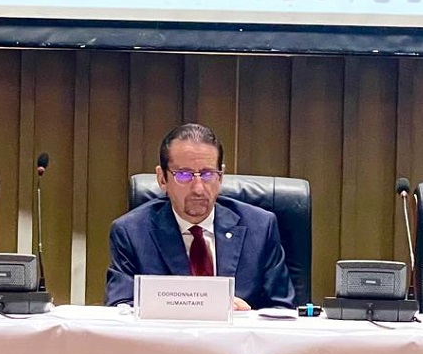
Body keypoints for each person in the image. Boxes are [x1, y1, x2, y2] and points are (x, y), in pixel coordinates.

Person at [105, 123, 296, 310]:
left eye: (208, 174)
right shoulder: (131, 232)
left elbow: (282, 309)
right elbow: (119, 309)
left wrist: (244, 318)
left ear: (220, 177)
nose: (198, 188)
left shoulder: (260, 227)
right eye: (184, 175)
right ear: (162, 179)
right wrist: (189, 310)